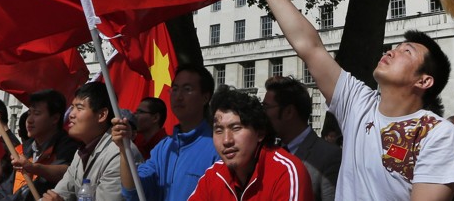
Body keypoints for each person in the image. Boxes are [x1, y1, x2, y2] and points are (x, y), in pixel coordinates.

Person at [241, 0, 454, 201]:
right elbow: (310, 47)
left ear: (424, 81)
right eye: (395, 47)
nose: (392, 52)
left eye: (407, 51)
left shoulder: (437, 133)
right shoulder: (358, 103)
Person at [111, 64, 219, 201]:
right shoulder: (163, 148)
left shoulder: (218, 147)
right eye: (174, 89)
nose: (178, 96)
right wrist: (123, 148)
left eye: (187, 89)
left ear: (205, 97)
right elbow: (133, 191)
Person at [189, 89, 310, 201]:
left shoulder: (285, 172)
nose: (226, 140)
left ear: (260, 133)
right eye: (219, 130)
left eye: (236, 128)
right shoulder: (213, 176)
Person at [45, 82, 138, 201]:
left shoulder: (120, 152)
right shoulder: (82, 152)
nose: (71, 115)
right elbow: (61, 191)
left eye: (79, 108)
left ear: (102, 115)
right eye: (72, 108)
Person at [263, 77, 339, 201]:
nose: (262, 113)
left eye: (266, 107)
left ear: (288, 112)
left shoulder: (329, 157)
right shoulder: (269, 153)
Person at [10, 89, 79, 198]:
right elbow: (6, 190)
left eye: (36, 113)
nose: (29, 120)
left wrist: (33, 167)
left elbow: (66, 172)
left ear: (55, 118)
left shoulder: (68, 147)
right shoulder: (22, 149)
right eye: (29, 113)